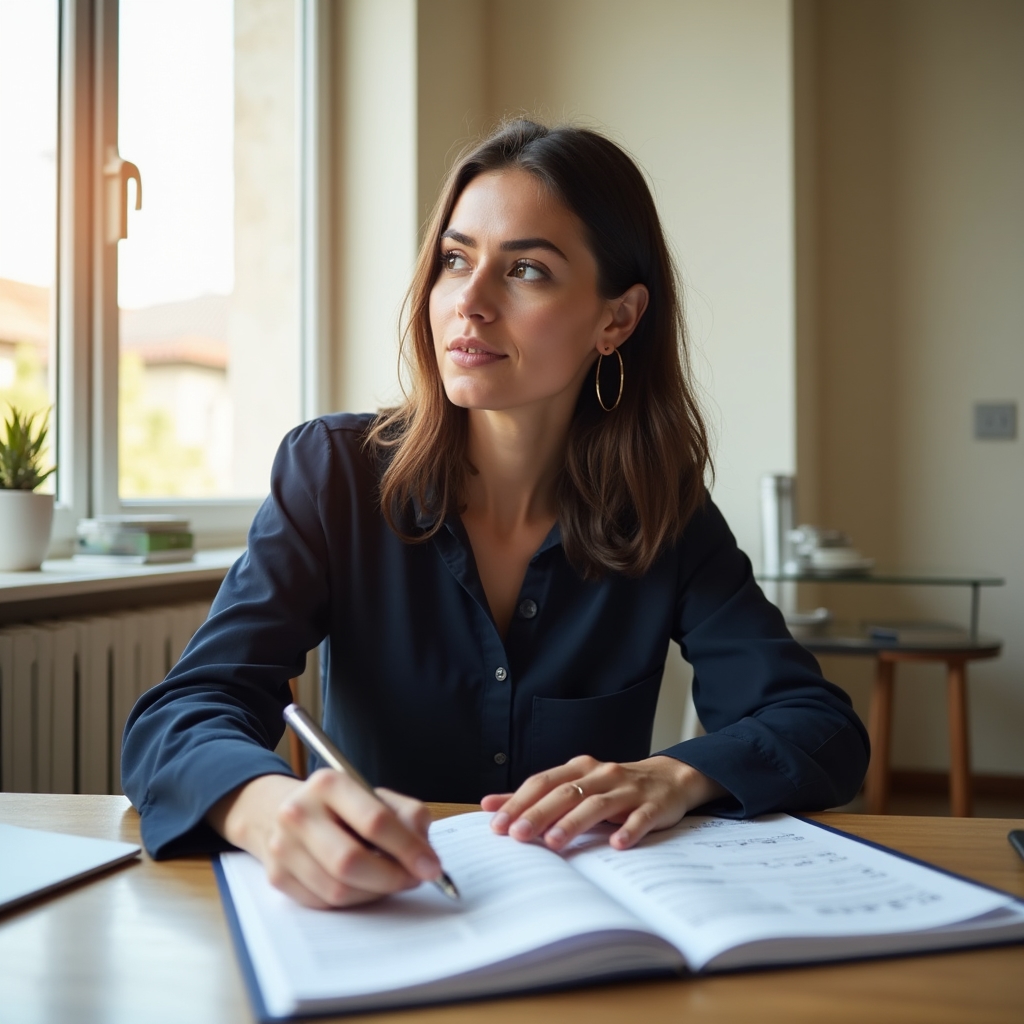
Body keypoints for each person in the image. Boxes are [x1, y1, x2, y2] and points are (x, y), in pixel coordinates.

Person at [122, 119, 869, 910]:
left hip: (587, 936)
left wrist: (676, 774)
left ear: (616, 320)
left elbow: (817, 725)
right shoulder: (333, 476)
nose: (469, 303)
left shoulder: (664, 512)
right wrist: (267, 810)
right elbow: (182, 714)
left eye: (526, 270)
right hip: (375, 921)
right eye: (454, 259)